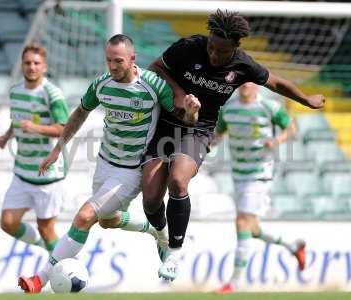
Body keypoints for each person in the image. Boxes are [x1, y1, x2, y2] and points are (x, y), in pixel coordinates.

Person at [142, 9, 325, 282]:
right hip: (167, 121)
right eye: (212, 47)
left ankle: (175, 252)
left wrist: (306, 100)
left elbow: (275, 82)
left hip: (198, 129)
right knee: (151, 199)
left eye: (222, 52)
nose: (214, 55)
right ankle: (162, 235)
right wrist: (179, 95)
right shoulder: (189, 46)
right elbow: (155, 67)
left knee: (179, 181)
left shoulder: (243, 65)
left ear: (236, 48)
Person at [18, 34, 200, 293]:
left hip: (131, 171)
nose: (113, 67)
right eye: (109, 61)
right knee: (107, 220)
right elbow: (80, 112)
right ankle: (156, 232)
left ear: (132, 59)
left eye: (118, 61)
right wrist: (59, 148)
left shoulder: (152, 85)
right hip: (105, 163)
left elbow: (183, 117)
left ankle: (40, 278)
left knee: (84, 217)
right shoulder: (102, 84)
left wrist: (192, 111)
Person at [213, 82, 304, 293]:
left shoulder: (269, 107)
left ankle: (233, 283)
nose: (245, 85)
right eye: (241, 81)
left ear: (256, 85)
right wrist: (206, 145)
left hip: (260, 173)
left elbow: (291, 127)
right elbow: (218, 134)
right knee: (251, 228)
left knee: (242, 222)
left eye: (249, 81)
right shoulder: (228, 109)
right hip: (238, 173)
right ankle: (293, 246)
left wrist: (277, 140)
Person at [0, 43, 69, 253]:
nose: (31, 67)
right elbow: (17, 119)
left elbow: (64, 129)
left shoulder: (52, 94)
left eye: (36, 63)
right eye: (27, 63)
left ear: (44, 67)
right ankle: (46, 247)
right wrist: (7, 135)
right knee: (8, 222)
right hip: (22, 171)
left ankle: (66, 270)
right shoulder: (15, 91)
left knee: (46, 228)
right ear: (22, 65)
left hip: (47, 174)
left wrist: (35, 127)